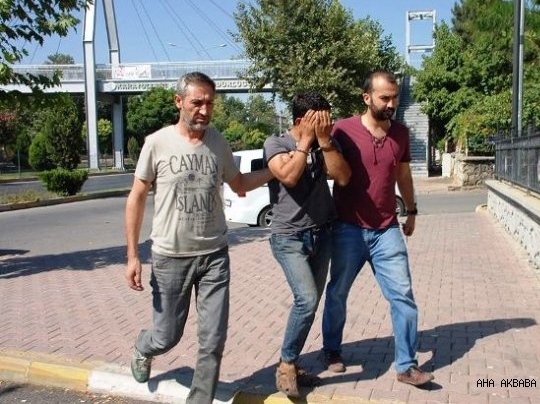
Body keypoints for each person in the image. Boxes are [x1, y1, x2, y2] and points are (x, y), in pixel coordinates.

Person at [124, 71, 273, 404]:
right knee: (166, 336)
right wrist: (132, 255)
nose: (205, 110)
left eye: (210, 103)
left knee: (213, 340)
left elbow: (239, 183)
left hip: (214, 256)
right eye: (197, 102)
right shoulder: (157, 143)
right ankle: (144, 347)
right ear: (179, 102)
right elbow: (136, 197)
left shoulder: (218, 142)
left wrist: (273, 172)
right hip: (170, 258)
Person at [321, 70, 434, 387]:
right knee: (338, 292)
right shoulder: (343, 130)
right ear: (366, 97)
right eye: (385, 98)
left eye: (395, 97)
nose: (392, 104)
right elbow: (330, 171)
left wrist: (411, 210)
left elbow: (403, 175)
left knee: (403, 297)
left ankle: (406, 366)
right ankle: (331, 349)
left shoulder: (401, 133)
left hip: (387, 230)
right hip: (348, 228)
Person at [263, 91, 351, 398]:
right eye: (320, 121)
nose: (328, 125)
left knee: (310, 304)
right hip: (288, 237)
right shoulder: (276, 143)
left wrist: (324, 141)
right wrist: (305, 142)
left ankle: (293, 362)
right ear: (302, 120)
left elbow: (342, 177)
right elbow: (288, 176)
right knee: (307, 299)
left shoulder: (326, 143)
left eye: (329, 120)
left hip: (322, 234)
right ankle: (286, 364)